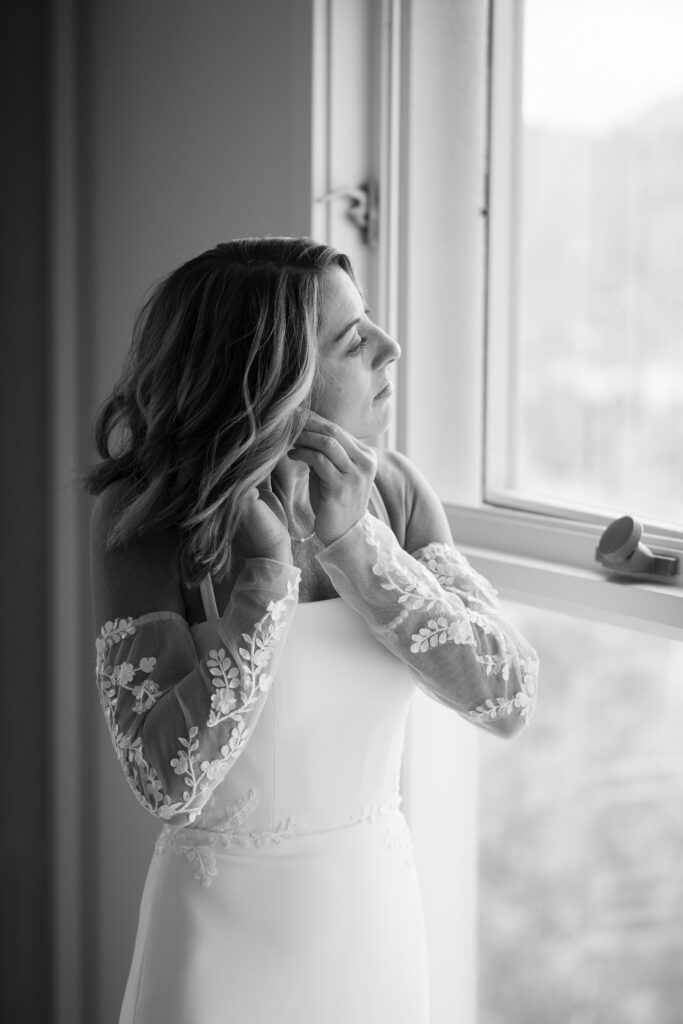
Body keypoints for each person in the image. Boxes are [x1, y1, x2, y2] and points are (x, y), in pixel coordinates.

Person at [86, 236, 538, 1024]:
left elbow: (506, 697)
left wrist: (356, 545)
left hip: (373, 923)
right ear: (271, 382)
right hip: (218, 948)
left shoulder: (395, 493)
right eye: (354, 340)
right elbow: (168, 783)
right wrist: (265, 583)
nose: (390, 346)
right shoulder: (147, 520)